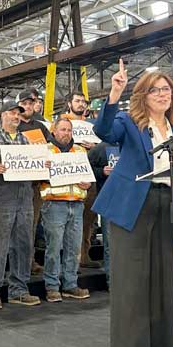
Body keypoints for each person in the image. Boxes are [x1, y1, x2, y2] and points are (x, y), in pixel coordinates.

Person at [93, 59, 173, 347]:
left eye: (167, 89)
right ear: (143, 95)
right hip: (131, 207)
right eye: (155, 90)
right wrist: (115, 93)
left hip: (167, 206)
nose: (163, 94)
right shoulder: (129, 123)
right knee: (131, 288)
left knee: (165, 287)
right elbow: (104, 132)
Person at [0, 99, 41, 309]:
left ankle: (19, 290)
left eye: (18, 114)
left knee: (23, 244)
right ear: (2, 115)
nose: (16, 117)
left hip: (24, 195)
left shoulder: (27, 141)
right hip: (0, 195)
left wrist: (43, 164)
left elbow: (36, 167)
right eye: (12, 113)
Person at [39, 118, 92, 302]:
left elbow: (87, 177)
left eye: (69, 130)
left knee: (73, 248)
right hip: (54, 204)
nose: (66, 133)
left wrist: (87, 184)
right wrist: (44, 170)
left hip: (77, 204)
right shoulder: (44, 151)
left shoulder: (80, 150)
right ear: (54, 131)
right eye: (62, 129)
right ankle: (52, 286)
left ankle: (70, 285)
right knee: (53, 248)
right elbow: (36, 177)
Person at [59, 92, 102, 270]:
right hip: (68, 176)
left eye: (83, 101)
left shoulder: (92, 125)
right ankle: (68, 260)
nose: (81, 104)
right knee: (66, 221)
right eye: (77, 101)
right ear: (69, 103)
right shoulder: (62, 123)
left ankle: (84, 255)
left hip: (89, 175)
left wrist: (95, 146)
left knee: (87, 220)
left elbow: (103, 145)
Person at [17, 89, 53, 275]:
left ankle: (29, 262)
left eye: (31, 103)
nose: (28, 106)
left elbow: (51, 147)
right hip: (14, 185)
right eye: (24, 103)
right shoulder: (13, 126)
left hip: (36, 184)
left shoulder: (41, 127)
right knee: (14, 226)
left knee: (31, 224)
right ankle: (17, 264)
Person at [87, 141, 115, 288]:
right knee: (110, 244)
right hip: (109, 200)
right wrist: (101, 172)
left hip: (131, 201)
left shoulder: (132, 144)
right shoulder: (101, 148)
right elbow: (86, 167)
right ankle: (113, 282)